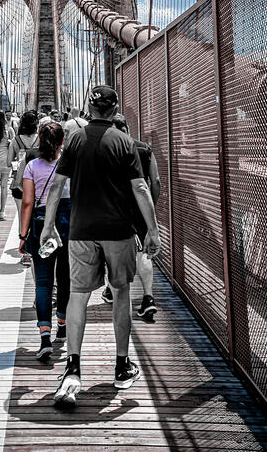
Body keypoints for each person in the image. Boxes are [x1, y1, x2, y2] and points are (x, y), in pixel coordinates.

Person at [40, 85, 160, 408]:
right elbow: (141, 189)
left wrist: (48, 226)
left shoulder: (75, 140)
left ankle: (72, 368)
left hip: (80, 232)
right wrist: (152, 230)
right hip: (118, 232)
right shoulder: (124, 142)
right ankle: (121, 366)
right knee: (121, 293)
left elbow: (56, 186)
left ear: (89, 108)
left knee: (78, 295)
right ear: (114, 109)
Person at [19, 122, 71, 363]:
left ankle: (44, 338)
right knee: (65, 276)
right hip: (68, 221)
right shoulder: (70, 164)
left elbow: (27, 203)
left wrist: (23, 235)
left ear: (40, 140)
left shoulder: (32, 166)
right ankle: (62, 321)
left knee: (42, 282)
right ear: (62, 141)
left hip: (41, 222)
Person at [101, 114, 161, 318]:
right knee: (143, 252)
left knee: (112, 251)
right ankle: (148, 297)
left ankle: (111, 289)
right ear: (127, 127)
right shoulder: (145, 148)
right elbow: (156, 181)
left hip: (116, 207)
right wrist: (151, 208)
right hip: (141, 206)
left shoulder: (108, 148)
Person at [8, 110, 40, 264]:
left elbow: (9, 162)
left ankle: (26, 252)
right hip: (38, 183)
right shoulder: (40, 139)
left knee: (23, 217)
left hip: (19, 184)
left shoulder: (16, 140)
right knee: (38, 215)